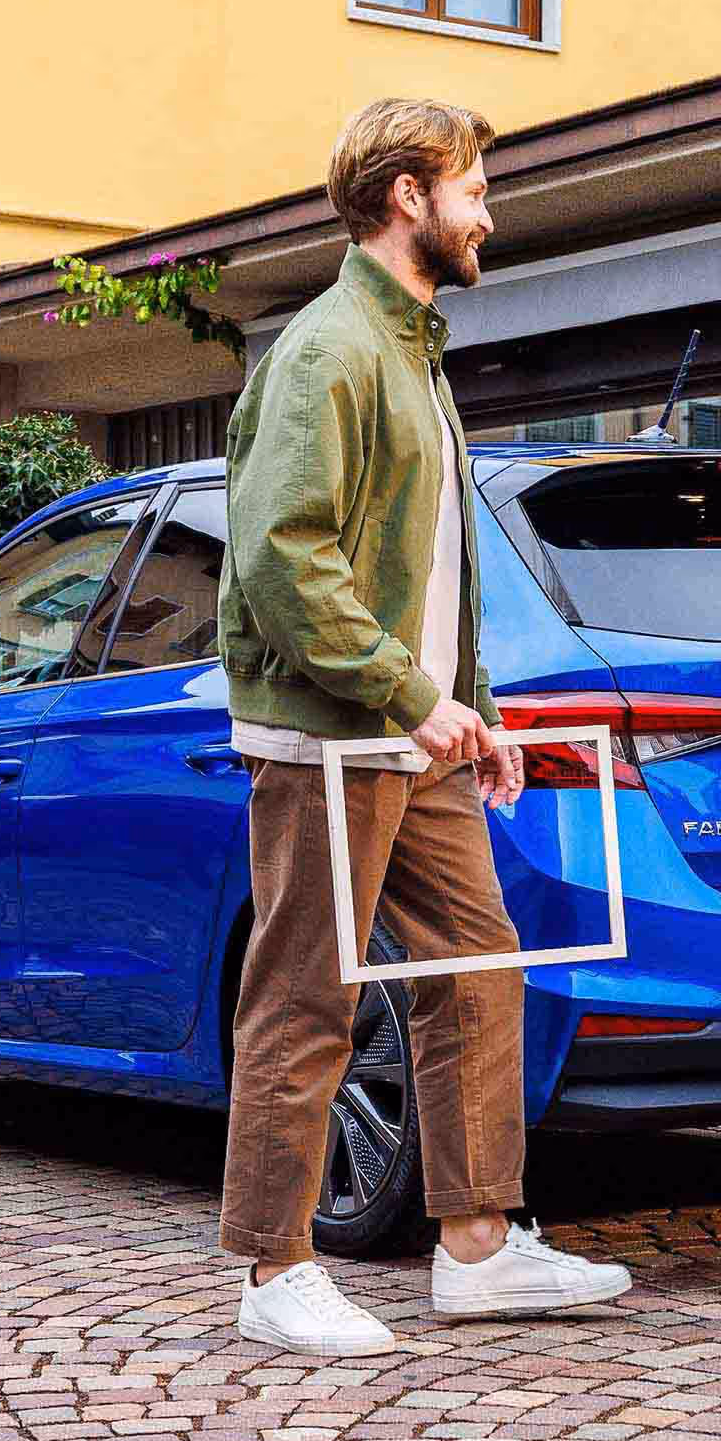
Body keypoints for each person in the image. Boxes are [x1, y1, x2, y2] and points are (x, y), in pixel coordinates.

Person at [216, 98, 631, 1356]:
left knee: (475, 967)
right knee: (306, 994)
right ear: (409, 194)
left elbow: (427, 574)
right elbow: (285, 559)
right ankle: (273, 1269)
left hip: (412, 738)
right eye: (474, 188)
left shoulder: (412, 354)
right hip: (330, 739)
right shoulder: (330, 348)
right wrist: (410, 695)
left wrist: (480, 718)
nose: (487, 212)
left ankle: (477, 1247)